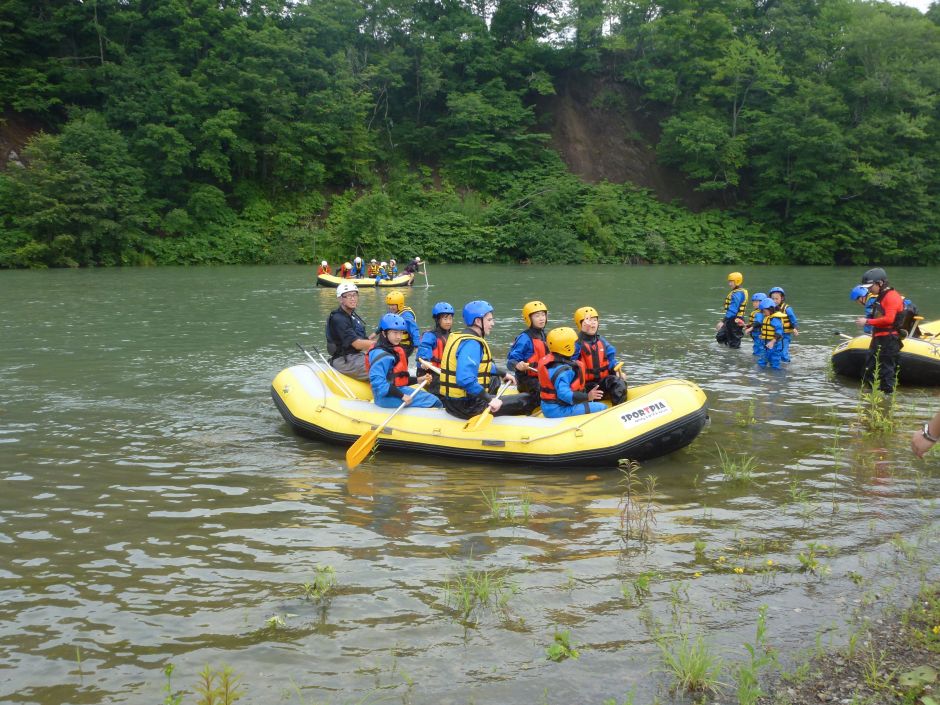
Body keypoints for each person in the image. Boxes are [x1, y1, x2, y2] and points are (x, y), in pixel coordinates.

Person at [438, 300, 536, 420]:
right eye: (489, 320)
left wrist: (503, 373)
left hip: (454, 402)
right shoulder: (471, 343)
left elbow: (482, 366)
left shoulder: (461, 337)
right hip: (467, 406)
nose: (492, 323)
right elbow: (464, 379)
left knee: (494, 379)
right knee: (527, 399)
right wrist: (489, 399)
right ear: (478, 321)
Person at [367, 314, 442, 409]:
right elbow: (379, 385)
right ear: (384, 333)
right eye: (395, 333)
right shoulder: (380, 354)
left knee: (433, 398)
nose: (399, 337)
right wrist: (402, 396)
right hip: (385, 398)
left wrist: (419, 379)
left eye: (401, 333)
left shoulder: (391, 349)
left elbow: (398, 379)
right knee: (435, 401)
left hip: (395, 391)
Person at [537, 327, 606, 418]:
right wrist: (587, 397)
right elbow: (564, 394)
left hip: (550, 407)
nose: (575, 346)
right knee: (602, 407)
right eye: (573, 344)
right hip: (558, 410)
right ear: (567, 347)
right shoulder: (563, 371)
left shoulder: (552, 361)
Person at [855, 267, 903, 393]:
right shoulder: (881, 296)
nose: (869, 290)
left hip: (889, 340)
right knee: (869, 368)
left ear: (880, 283)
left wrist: (867, 321)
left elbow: (889, 319)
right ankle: (870, 397)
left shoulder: (891, 297)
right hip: (879, 338)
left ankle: (887, 400)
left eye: (870, 286)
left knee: (886, 372)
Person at [573, 306, 627, 405]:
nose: (593, 323)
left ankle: (619, 407)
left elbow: (611, 359)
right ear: (581, 324)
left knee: (619, 381)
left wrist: (616, 371)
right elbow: (570, 360)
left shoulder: (602, 342)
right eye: (589, 320)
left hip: (601, 383)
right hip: (584, 388)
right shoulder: (575, 343)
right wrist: (582, 334)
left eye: (595, 320)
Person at [325, 282, 375, 380]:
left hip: (356, 356)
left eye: (355, 295)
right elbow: (357, 344)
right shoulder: (338, 319)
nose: (353, 298)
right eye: (348, 296)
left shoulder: (352, 316)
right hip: (344, 360)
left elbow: (362, 340)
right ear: (340, 299)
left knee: (388, 360)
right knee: (382, 368)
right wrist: (381, 344)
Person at [507, 300, 549, 396]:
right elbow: (510, 362)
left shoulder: (545, 336)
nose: (541, 318)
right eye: (537, 316)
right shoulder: (524, 338)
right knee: (546, 389)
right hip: (527, 380)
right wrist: (517, 365)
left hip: (542, 377)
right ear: (529, 318)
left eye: (543, 315)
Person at [416, 302, 454, 397]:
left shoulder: (452, 336)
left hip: (445, 372)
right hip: (431, 373)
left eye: (450, 318)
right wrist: (424, 361)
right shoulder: (430, 336)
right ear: (437, 320)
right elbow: (424, 348)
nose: (448, 321)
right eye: (445, 319)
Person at [715, 271, 748, 349]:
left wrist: (723, 321)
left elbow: (733, 309)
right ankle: (725, 352)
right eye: (729, 281)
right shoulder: (735, 292)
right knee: (720, 336)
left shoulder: (738, 293)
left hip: (736, 321)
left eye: (731, 282)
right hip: (730, 319)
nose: (729, 284)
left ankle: (735, 354)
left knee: (734, 342)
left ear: (737, 281)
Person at [384, 290, 421, 357]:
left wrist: (417, 346)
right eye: (389, 305)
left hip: (405, 345)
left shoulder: (406, 316)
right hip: (394, 342)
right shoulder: (391, 312)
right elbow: (384, 324)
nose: (390, 307)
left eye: (393, 305)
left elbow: (414, 330)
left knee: (398, 359)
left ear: (399, 304)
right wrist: (375, 333)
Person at [768, 286, 798, 363]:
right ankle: (775, 364)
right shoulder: (769, 309)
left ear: (782, 298)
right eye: (772, 298)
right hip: (775, 335)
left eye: (776, 299)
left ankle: (786, 364)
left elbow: (793, 320)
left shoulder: (787, 308)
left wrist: (795, 328)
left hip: (785, 335)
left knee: (783, 353)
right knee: (773, 351)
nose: (774, 301)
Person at [756, 297, 785, 369]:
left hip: (774, 345)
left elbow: (779, 332)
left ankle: (775, 374)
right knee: (762, 360)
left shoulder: (774, 319)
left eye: (764, 311)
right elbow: (766, 328)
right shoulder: (767, 317)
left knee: (774, 362)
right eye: (762, 311)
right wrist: (762, 335)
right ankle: (760, 372)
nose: (763, 313)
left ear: (770, 309)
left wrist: (772, 342)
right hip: (765, 343)